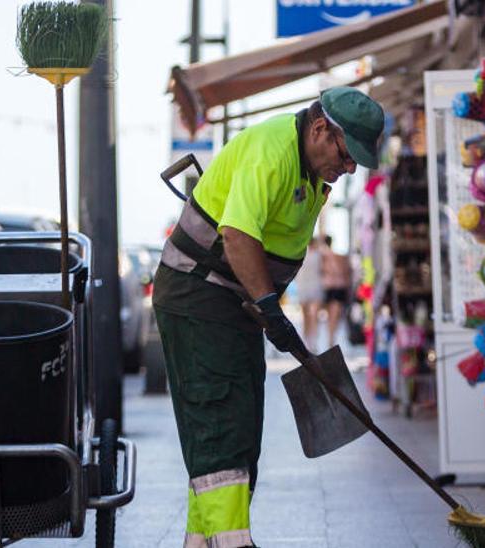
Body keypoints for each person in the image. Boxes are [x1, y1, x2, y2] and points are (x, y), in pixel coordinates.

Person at [152, 86, 384, 548]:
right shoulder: (271, 150)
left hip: (232, 304)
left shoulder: (312, 167)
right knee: (220, 418)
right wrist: (269, 307)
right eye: (346, 154)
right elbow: (237, 235)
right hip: (198, 294)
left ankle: (202, 542)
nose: (349, 167)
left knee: (238, 420)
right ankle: (234, 542)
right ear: (320, 129)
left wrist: (266, 305)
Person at [318, 235, 352, 348]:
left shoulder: (323, 256)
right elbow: (347, 273)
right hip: (338, 287)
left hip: (330, 287)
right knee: (335, 315)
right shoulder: (340, 257)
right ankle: (331, 338)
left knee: (331, 315)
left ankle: (331, 338)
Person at [292, 237, 325, 344]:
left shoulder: (300, 254)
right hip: (314, 286)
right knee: (313, 315)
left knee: (306, 316)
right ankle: (312, 340)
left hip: (304, 287)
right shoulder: (319, 255)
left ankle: (308, 340)